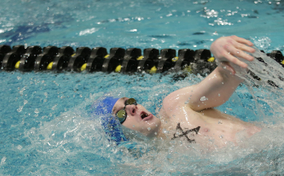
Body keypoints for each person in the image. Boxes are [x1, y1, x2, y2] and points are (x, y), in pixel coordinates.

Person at [92, 35, 263, 149]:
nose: (132, 108)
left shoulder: (176, 105)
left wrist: (223, 53)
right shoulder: (154, 166)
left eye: (129, 102)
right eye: (121, 113)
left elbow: (228, 74)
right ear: (119, 134)